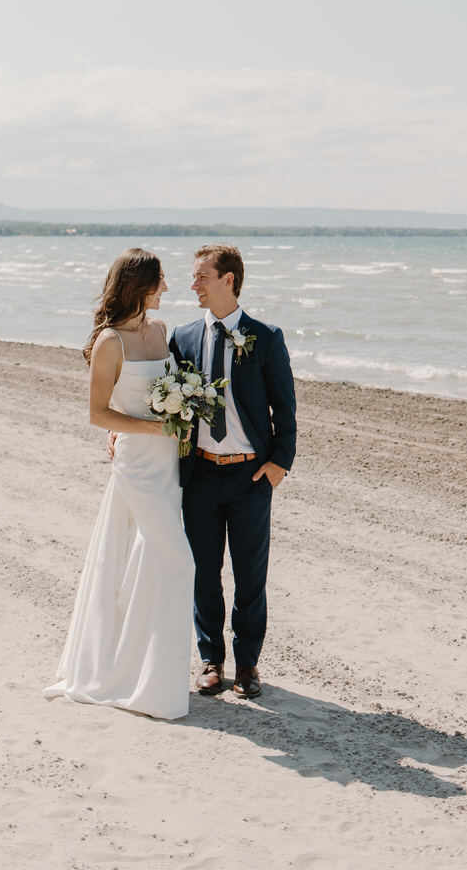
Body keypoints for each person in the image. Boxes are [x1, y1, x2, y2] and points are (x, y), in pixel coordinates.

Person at [44, 248, 195, 720]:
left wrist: (181, 416)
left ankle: (147, 670)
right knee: (178, 559)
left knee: (147, 564)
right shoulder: (110, 341)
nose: (167, 290)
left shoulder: (161, 330)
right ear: (140, 286)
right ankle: (137, 678)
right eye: (160, 282)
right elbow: (98, 413)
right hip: (137, 464)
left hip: (169, 464)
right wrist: (156, 428)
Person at [169, 243, 297, 700]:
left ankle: (247, 665)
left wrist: (280, 463)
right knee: (203, 571)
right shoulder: (182, 338)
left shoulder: (266, 336)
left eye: (202, 276)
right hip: (200, 475)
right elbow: (167, 404)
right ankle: (210, 660)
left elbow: (284, 406)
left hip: (250, 477)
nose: (194, 284)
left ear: (229, 280)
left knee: (249, 576)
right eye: (195, 276)